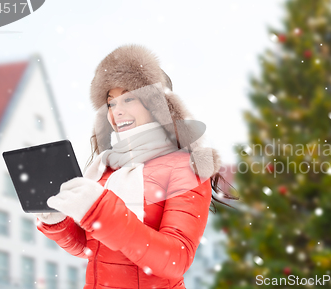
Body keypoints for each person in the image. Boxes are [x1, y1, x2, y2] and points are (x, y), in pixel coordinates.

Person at [34, 44, 238, 289]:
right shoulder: (106, 169)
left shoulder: (185, 168)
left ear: (156, 105)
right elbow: (93, 249)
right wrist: (58, 222)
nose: (117, 112)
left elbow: (175, 260)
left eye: (128, 99)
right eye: (111, 103)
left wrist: (99, 210)